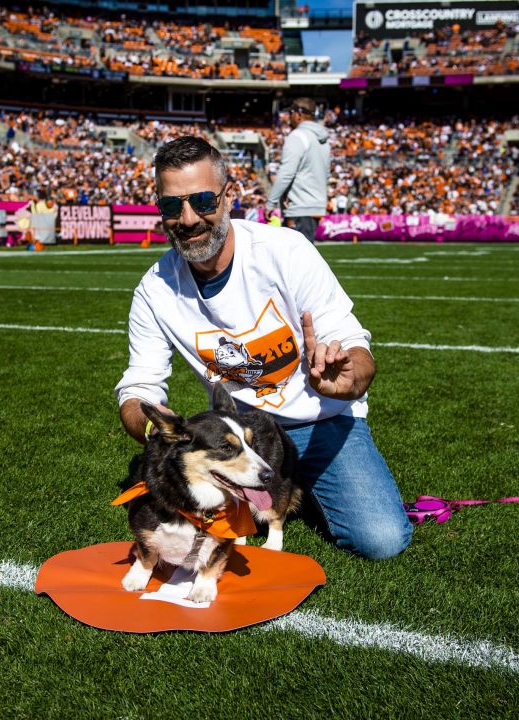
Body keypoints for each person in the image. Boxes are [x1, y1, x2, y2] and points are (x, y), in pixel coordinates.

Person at [114, 137, 411, 560]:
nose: (187, 218)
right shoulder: (154, 290)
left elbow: (353, 343)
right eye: (171, 206)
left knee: (380, 540)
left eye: (202, 201)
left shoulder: (286, 251)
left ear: (229, 196)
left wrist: (347, 381)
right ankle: (285, 488)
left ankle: (298, 485)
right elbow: (139, 386)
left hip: (320, 420)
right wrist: (153, 428)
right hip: (238, 436)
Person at [266, 97, 330, 244]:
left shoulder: (297, 136)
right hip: (315, 206)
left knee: (295, 261)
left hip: (299, 207)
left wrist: (271, 203)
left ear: (299, 114)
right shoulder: (323, 140)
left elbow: (286, 174)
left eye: (291, 113)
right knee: (303, 257)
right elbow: (326, 173)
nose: (289, 117)